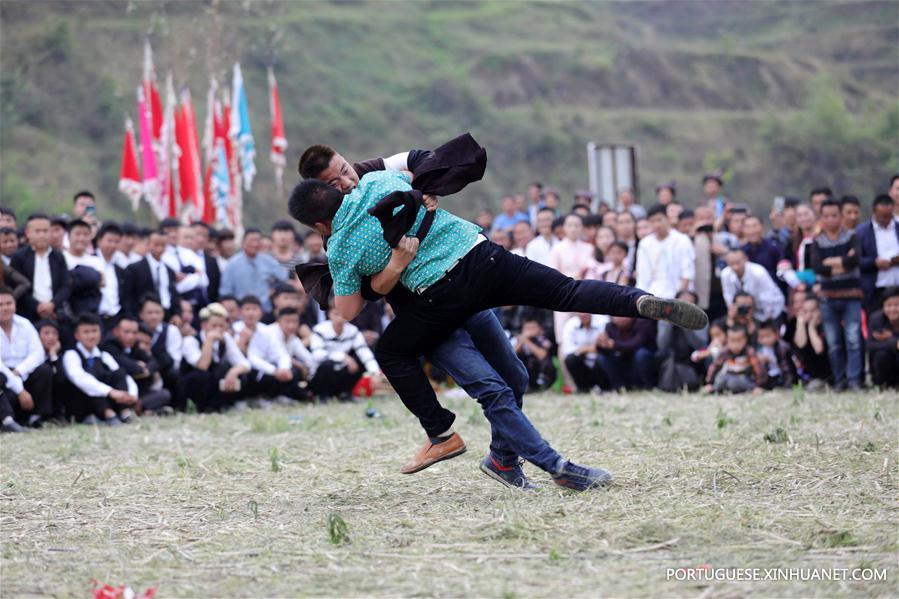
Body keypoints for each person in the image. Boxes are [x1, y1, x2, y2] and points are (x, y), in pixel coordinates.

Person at [290, 170, 707, 490]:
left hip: (439, 298)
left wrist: (386, 268)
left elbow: (346, 309)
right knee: (566, 294)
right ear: (339, 187)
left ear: (318, 225)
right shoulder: (380, 179)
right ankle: (635, 301)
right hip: (482, 254)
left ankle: (455, 437)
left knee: (482, 380)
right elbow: (417, 169)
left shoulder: (340, 244)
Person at [810, 199, 864, 391]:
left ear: (841, 217)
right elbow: (817, 267)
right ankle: (840, 381)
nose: (831, 219)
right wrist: (842, 262)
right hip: (828, 298)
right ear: (821, 218)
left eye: (835, 215)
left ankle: (855, 381)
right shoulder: (816, 242)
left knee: (853, 340)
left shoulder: (852, 236)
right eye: (826, 216)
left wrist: (830, 263)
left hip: (851, 297)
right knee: (833, 343)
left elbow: (854, 260)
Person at [62, 312, 138, 425]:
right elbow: (80, 379)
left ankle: (125, 411)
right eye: (86, 332)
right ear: (77, 335)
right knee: (90, 380)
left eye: (94, 331)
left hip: (108, 399)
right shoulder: (71, 355)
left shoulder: (104, 355)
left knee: (118, 373)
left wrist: (132, 395)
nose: (91, 336)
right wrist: (110, 392)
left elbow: (123, 376)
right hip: (81, 405)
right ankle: (108, 414)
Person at [180, 302, 250, 413]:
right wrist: (209, 340)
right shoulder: (190, 340)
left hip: (215, 383)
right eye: (214, 326)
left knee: (240, 375)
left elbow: (244, 363)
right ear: (203, 325)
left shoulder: (225, 338)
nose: (218, 329)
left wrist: (233, 372)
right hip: (193, 386)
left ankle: (226, 405)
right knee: (201, 377)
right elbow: (202, 366)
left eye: (221, 326)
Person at [0, 286, 54, 428]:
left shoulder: (24, 324)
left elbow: (38, 353)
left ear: (15, 305)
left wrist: (19, 371)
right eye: (0, 305)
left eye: (8, 304)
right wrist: (20, 390)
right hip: (3, 376)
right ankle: (8, 421)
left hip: (23, 371)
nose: (5, 308)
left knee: (45, 370)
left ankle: (37, 418)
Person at [99, 315, 172, 414]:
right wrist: (139, 367)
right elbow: (131, 367)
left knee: (165, 394)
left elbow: (153, 362)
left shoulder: (135, 345)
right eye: (126, 332)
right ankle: (141, 410)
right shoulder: (109, 346)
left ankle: (141, 408)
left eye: (134, 332)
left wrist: (146, 369)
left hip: (137, 392)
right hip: (117, 393)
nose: (131, 336)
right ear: (116, 331)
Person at [309, 305, 379, 402]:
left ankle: (344, 393)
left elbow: (365, 353)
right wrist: (343, 357)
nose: (339, 318)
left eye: (342, 314)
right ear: (330, 314)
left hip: (341, 370)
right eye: (336, 314)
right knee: (328, 365)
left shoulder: (353, 331)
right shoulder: (319, 330)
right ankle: (322, 396)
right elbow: (317, 355)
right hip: (319, 376)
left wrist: (374, 373)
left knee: (359, 362)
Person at [10, 214, 71, 323]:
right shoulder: (19, 257)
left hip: (55, 314)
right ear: (28, 233)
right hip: (26, 315)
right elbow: (15, 286)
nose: (42, 235)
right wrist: (38, 307)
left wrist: (52, 304)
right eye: (37, 231)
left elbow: (65, 285)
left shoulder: (58, 257)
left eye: (45, 231)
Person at [636, 204, 695, 299]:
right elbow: (642, 276)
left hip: (677, 293)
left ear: (667, 219)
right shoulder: (645, 244)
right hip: (652, 294)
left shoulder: (682, 240)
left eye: (659, 220)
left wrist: (680, 297)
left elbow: (687, 272)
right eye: (652, 221)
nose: (656, 225)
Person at [220, 229, 287, 312]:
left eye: (258, 240)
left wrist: (274, 289)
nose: (255, 244)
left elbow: (284, 277)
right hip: (241, 311)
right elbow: (225, 291)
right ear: (243, 242)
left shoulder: (268, 260)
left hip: (265, 309)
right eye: (251, 240)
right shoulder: (232, 264)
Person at [656, 290, 708, 392]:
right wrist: (670, 321)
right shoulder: (665, 317)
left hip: (692, 356)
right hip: (671, 355)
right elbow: (661, 345)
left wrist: (686, 325)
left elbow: (701, 345)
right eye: (682, 303)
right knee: (658, 355)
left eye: (689, 304)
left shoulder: (702, 319)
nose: (685, 307)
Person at [124, 230, 181, 319]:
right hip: (142, 316)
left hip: (166, 314)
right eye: (156, 244)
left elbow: (173, 294)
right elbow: (128, 297)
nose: (159, 248)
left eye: (163, 245)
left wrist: (176, 314)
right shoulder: (134, 269)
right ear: (148, 244)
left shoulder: (169, 270)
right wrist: (132, 317)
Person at [856, 194, 899, 314]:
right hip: (875, 289)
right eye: (882, 217)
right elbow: (856, 260)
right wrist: (873, 262)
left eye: (888, 216)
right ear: (874, 212)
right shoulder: (862, 232)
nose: (885, 220)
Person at [137, 296, 182, 408]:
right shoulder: (134, 330)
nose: (154, 316)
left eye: (158, 312)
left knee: (174, 373)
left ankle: (173, 405)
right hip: (140, 372)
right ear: (141, 314)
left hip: (164, 371)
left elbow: (175, 360)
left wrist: (153, 366)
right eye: (150, 313)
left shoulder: (171, 330)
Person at [720, 249, 785, 323]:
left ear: (745, 259)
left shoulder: (758, 273)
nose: (735, 267)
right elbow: (729, 297)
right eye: (731, 263)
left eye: (738, 263)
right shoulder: (725, 274)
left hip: (770, 310)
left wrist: (764, 320)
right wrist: (735, 312)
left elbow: (768, 299)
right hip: (745, 313)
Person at [596, 316, 657, 391]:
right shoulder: (610, 326)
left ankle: (648, 385)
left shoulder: (642, 323)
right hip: (623, 364)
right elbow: (606, 350)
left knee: (642, 354)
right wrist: (600, 344)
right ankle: (619, 386)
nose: (620, 317)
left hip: (640, 364)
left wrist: (613, 344)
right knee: (603, 357)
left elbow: (635, 344)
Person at [704, 326, 765, 394]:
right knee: (720, 380)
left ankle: (751, 388)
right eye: (732, 341)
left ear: (745, 340)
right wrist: (709, 383)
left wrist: (758, 385)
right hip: (729, 376)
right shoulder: (726, 352)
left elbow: (758, 369)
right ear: (727, 340)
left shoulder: (749, 352)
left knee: (733, 383)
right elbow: (715, 366)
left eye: (739, 340)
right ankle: (714, 389)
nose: (736, 344)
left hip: (744, 378)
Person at [560, 313, 607, 393]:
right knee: (570, 359)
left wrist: (583, 349)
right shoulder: (571, 324)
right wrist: (590, 348)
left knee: (603, 358)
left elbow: (606, 346)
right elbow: (568, 350)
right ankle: (583, 388)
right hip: (582, 364)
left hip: (599, 363)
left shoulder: (603, 321)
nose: (583, 315)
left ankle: (604, 387)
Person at [790, 296, 830, 390]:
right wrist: (800, 321)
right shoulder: (800, 326)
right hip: (810, 376)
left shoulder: (826, 327)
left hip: (826, 374)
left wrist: (812, 328)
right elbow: (800, 344)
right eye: (805, 311)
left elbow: (818, 349)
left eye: (812, 311)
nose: (809, 314)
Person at [94, 223, 126, 329]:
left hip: (115, 320)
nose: (112, 245)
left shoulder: (120, 268)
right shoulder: (90, 261)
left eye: (116, 242)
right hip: (95, 319)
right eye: (109, 241)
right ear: (99, 241)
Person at [867, 287, 899, 388]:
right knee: (882, 355)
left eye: (897, 305)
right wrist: (894, 343)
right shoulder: (876, 319)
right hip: (884, 364)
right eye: (888, 305)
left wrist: (892, 337)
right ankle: (882, 384)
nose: (893, 309)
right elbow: (870, 346)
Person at [512, 318, 555, 392]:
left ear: (539, 329)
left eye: (532, 328)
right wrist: (522, 341)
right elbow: (511, 354)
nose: (529, 331)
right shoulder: (517, 339)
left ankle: (543, 386)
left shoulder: (542, 339)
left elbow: (543, 356)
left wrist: (527, 341)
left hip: (540, 370)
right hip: (526, 371)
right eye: (527, 328)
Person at [741, 215, 782, 282]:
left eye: (755, 226)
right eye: (748, 227)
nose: (752, 230)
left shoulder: (774, 248)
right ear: (743, 230)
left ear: (762, 226)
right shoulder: (741, 252)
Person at [756, 320, 795, 390]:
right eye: (762, 337)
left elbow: (787, 369)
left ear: (776, 334)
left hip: (783, 376)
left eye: (768, 336)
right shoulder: (761, 349)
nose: (765, 340)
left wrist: (789, 385)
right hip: (771, 376)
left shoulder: (782, 348)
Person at [191, 222, 221, 303]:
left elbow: (215, 288)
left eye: (205, 236)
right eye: (198, 234)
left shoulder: (212, 261)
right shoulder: (179, 257)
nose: (201, 239)